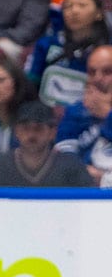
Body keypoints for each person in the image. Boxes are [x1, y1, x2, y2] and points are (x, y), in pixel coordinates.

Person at [0, 99, 97, 185]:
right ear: (16, 131)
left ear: (52, 132)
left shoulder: (71, 166)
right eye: (25, 128)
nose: (31, 135)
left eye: (38, 128)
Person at [26, 0, 110, 106]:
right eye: (68, 6)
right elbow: (30, 86)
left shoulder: (107, 51)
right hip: (47, 112)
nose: (74, 11)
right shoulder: (46, 44)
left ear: (99, 13)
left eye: (82, 5)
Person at [55, 43, 112, 184]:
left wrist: (107, 115)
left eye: (107, 72)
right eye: (92, 72)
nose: (97, 78)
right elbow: (64, 156)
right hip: (86, 192)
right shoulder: (76, 111)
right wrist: (82, 172)